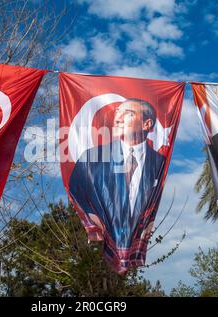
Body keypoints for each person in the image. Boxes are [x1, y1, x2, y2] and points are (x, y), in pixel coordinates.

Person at [68, 98, 165, 249]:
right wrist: (90, 216)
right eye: (117, 112)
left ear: (147, 124)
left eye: (128, 114)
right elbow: (75, 190)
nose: (118, 119)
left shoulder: (160, 163)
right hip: (96, 244)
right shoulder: (91, 158)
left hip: (135, 247)